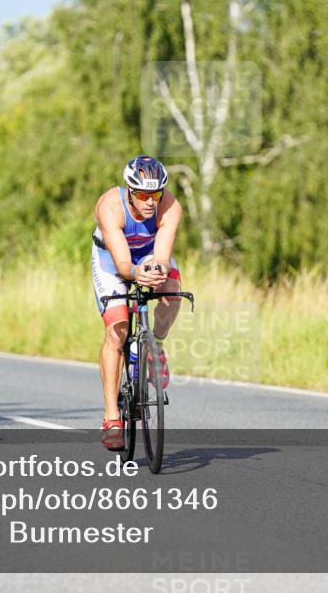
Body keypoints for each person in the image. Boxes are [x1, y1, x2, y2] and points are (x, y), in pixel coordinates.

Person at [91, 155, 183, 450]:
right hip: (111, 258)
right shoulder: (110, 206)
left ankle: (156, 345)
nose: (150, 202)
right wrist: (135, 274)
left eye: (155, 194)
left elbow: (162, 257)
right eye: (142, 194)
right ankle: (112, 417)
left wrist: (156, 272)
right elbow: (121, 264)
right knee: (117, 328)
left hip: (148, 253)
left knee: (171, 292)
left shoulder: (171, 207)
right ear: (129, 190)